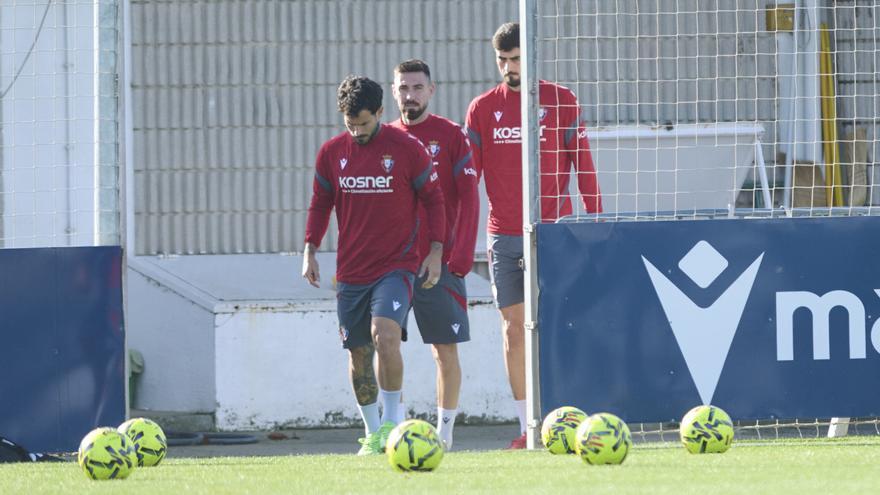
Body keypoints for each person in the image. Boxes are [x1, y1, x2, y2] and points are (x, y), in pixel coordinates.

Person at [464, 22, 603, 449]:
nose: (509, 67)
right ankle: (528, 428)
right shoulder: (482, 109)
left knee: (560, 325)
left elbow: (584, 164)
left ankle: (567, 414)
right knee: (513, 329)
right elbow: (469, 183)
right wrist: (460, 241)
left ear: (532, 56)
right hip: (503, 236)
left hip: (555, 233)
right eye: (503, 60)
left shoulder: (561, 100)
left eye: (517, 59)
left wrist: (596, 223)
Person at [302, 75, 446, 455]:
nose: (357, 131)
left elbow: (433, 199)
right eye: (350, 125)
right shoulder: (332, 152)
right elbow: (321, 203)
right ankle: (372, 432)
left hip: (396, 266)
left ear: (380, 113)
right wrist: (310, 248)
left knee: (385, 334)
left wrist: (436, 251)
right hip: (351, 271)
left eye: (363, 124)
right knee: (359, 352)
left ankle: (394, 423)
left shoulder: (407, 148)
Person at [387, 59, 480, 450]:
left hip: (438, 264)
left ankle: (444, 436)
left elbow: (471, 198)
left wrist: (458, 258)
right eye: (403, 88)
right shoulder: (383, 138)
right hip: (391, 264)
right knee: (384, 342)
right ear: (394, 92)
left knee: (443, 350)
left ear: (432, 90)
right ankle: (391, 428)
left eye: (417, 88)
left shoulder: (451, 135)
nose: (410, 95)